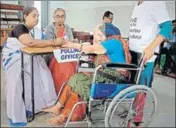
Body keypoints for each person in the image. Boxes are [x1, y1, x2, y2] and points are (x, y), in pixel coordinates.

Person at [41, 23, 132, 126]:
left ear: (104, 34)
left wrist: (72, 45)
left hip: (114, 80)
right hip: (105, 75)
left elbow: (91, 49)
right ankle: (58, 107)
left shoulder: (113, 42)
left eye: (97, 34)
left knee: (81, 84)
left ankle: (65, 116)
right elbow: (91, 48)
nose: (94, 36)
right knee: (76, 77)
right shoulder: (108, 42)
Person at [2, 6, 65, 126]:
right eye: (34, 16)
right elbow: (29, 43)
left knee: (42, 73)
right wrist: (53, 42)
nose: (36, 19)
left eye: (38, 16)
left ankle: (33, 106)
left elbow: (36, 44)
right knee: (15, 84)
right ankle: (16, 115)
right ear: (25, 16)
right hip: (15, 59)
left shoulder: (33, 30)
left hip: (27, 57)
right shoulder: (19, 27)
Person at [128, 1, 172, 126]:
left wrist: (151, 47)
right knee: (132, 85)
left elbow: (168, 26)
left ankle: (137, 118)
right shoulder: (137, 5)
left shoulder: (155, 2)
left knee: (141, 87)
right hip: (133, 52)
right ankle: (132, 110)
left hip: (145, 54)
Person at [44, 8, 77, 95]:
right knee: (63, 69)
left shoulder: (68, 28)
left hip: (66, 54)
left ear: (65, 18)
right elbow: (49, 43)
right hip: (53, 55)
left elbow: (71, 42)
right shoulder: (49, 28)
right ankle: (59, 92)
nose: (60, 19)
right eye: (58, 16)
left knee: (73, 66)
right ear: (54, 18)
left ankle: (70, 90)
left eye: (62, 16)